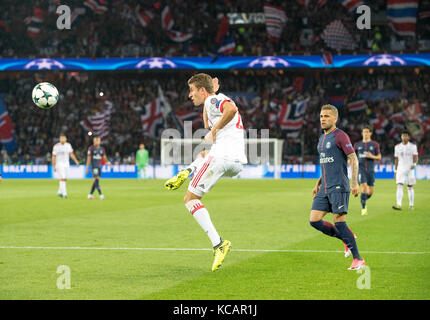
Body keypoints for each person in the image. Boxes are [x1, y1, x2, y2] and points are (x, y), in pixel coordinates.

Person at [164, 74, 247, 272]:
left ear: (202, 90)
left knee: (190, 199)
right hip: (236, 162)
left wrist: (212, 100)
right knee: (204, 152)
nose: (189, 95)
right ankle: (188, 170)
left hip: (222, 157)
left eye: (192, 90)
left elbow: (231, 110)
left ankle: (219, 244)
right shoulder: (212, 101)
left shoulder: (212, 100)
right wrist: (213, 97)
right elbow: (208, 127)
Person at [310, 104, 365, 270]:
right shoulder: (321, 139)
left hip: (339, 186)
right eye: (321, 116)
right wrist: (318, 183)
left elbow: (353, 159)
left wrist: (354, 183)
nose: (323, 119)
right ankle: (346, 238)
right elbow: (326, 164)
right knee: (314, 220)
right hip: (325, 187)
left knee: (340, 223)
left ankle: (358, 259)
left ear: (335, 118)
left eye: (326, 116)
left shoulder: (340, 136)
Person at [354, 125, 381, 215]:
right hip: (361, 170)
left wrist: (372, 156)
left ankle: (363, 198)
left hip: (370, 170)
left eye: (367, 132)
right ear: (362, 133)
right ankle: (363, 208)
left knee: (370, 192)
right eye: (364, 132)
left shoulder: (374, 144)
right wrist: (351, 161)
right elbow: (352, 156)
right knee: (364, 187)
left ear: (370, 133)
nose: (365, 133)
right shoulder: (357, 145)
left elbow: (379, 157)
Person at [392, 130, 418, 211]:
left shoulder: (413, 146)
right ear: (401, 137)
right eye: (403, 135)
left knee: (410, 186)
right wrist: (395, 171)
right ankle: (398, 204)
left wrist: (414, 164)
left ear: (409, 137)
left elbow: (416, 157)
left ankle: (411, 205)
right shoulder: (397, 147)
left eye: (406, 135)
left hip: (410, 169)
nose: (404, 137)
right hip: (400, 169)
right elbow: (396, 160)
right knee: (399, 185)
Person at [52, 133, 79, 198]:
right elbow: (53, 156)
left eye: (64, 138)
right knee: (63, 178)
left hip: (66, 163)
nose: (63, 139)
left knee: (65, 178)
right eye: (61, 138)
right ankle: (64, 193)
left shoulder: (68, 145)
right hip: (59, 163)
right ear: (59, 139)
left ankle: (59, 191)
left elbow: (71, 154)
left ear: (66, 139)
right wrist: (53, 165)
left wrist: (76, 161)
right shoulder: (56, 146)